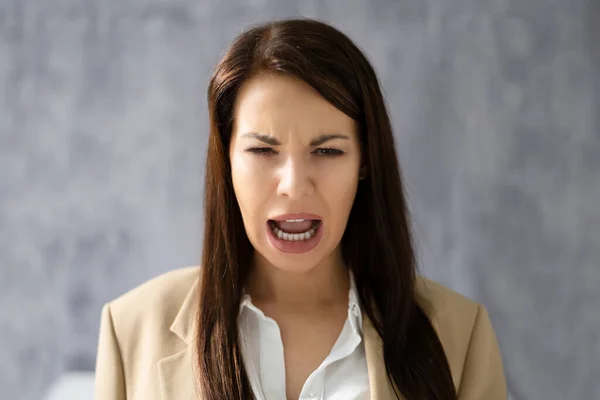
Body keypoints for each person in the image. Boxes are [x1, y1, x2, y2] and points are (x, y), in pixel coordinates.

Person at [94, 18, 506, 400]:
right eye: (262, 150)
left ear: (364, 161)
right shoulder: (131, 329)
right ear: (227, 161)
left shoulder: (461, 334)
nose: (294, 186)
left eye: (327, 150)